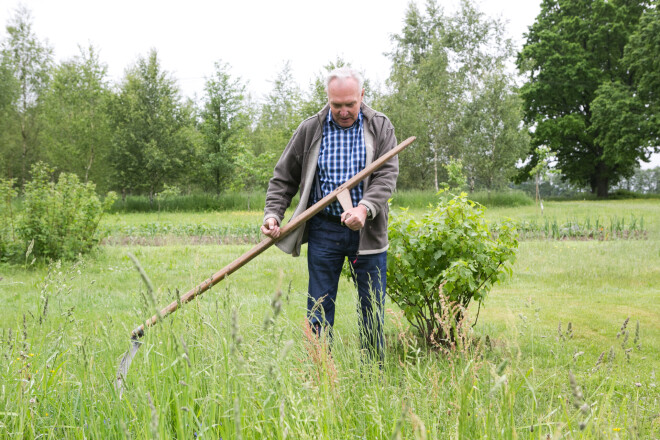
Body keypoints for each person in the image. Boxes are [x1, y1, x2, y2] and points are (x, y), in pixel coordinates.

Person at [261, 66, 398, 361]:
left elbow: (386, 176)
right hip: (325, 230)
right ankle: (321, 370)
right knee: (319, 307)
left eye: (350, 103)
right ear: (328, 98)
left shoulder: (380, 126)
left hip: (368, 231)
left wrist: (364, 208)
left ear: (362, 95)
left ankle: (373, 374)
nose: (344, 111)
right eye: (337, 105)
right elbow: (283, 178)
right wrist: (273, 214)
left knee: (372, 307)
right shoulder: (310, 129)